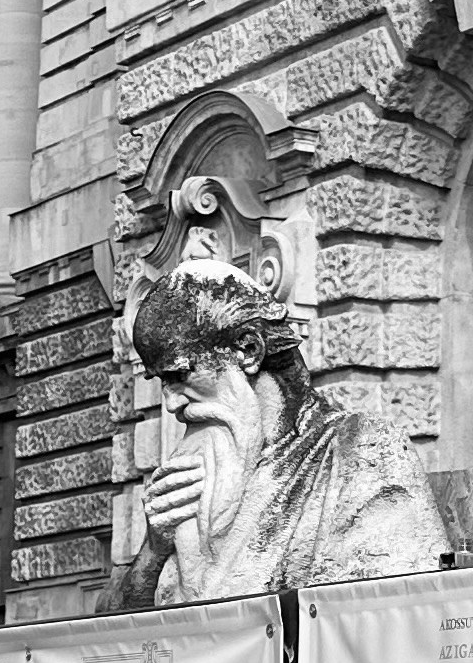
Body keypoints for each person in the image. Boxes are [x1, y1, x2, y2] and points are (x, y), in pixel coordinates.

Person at [122, 222, 446, 604]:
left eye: (179, 375)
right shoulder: (201, 470)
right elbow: (106, 641)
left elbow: (389, 613)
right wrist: (152, 549)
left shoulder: (358, 451)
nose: (172, 403)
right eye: (161, 381)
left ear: (247, 350)